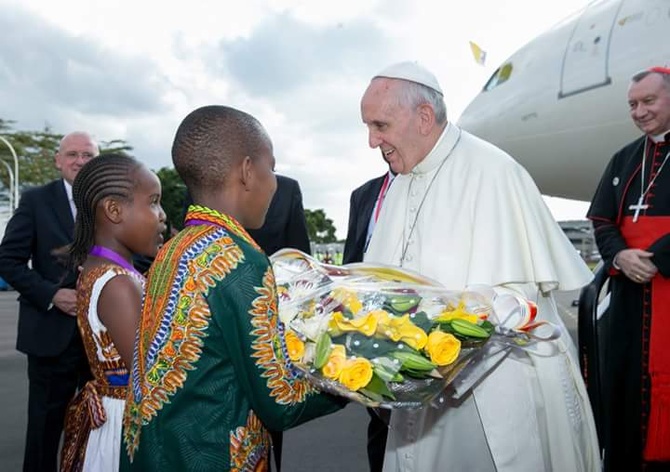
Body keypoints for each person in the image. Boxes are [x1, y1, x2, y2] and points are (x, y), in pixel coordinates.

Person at [361, 61, 600, 472]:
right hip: (420, 392)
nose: (371, 141)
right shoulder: (402, 183)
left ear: (423, 117)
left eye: (380, 125)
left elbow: (514, 305)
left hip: (494, 389)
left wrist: (433, 360)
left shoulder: (494, 171)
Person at [121, 105, 346, 471]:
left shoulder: (175, 249)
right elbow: (282, 401)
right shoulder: (239, 260)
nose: (274, 182)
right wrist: (358, 374)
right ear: (246, 171)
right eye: (270, 168)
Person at [58, 154, 166, 471]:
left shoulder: (104, 271)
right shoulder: (118, 285)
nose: (162, 216)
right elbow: (153, 376)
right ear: (114, 210)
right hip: (129, 425)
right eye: (154, 203)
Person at [587, 66, 670, 471]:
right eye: (633, 104)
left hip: (666, 289)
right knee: (622, 391)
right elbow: (601, 220)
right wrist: (620, 256)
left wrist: (656, 260)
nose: (639, 112)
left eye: (648, 101)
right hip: (628, 300)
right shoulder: (625, 157)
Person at [0, 131, 98, 472]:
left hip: (99, 341)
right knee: (43, 435)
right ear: (58, 160)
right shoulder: (35, 201)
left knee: (95, 431)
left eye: (87, 155)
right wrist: (51, 295)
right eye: (72, 154)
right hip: (49, 337)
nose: (80, 162)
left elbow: (140, 258)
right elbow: (8, 260)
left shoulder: (113, 201)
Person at [342, 150, 396, 472]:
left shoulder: (435, 189)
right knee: (379, 426)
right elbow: (352, 262)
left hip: (415, 327)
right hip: (369, 330)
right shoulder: (363, 195)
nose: (376, 141)